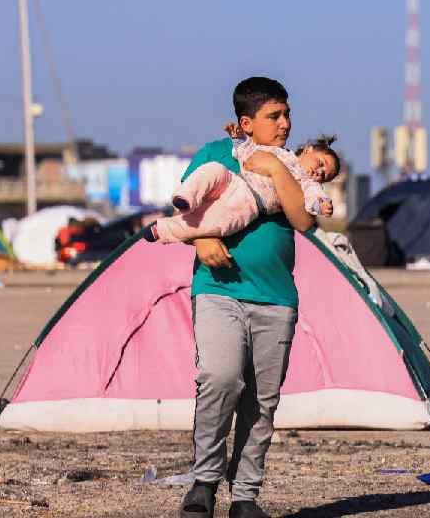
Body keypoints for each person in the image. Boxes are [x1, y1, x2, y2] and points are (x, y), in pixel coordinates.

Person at [178, 77, 314, 518]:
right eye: (274, 116)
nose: (285, 124)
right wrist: (201, 243)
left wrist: (275, 168)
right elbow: (185, 209)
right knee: (219, 379)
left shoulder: (291, 164)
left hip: (276, 298)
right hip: (219, 291)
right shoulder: (214, 155)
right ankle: (204, 481)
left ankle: (245, 496)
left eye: (287, 114)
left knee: (262, 400)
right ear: (246, 122)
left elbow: (304, 221)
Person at [143, 124, 339, 244]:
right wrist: (237, 140)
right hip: (235, 181)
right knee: (213, 169)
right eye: (321, 164)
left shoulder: (306, 183)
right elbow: (247, 152)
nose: (319, 173)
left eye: (325, 176)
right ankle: (185, 197)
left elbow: (313, 200)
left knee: (214, 223)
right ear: (309, 149)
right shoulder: (279, 152)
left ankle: (163, 230)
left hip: (250, 204)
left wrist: (321, 205)